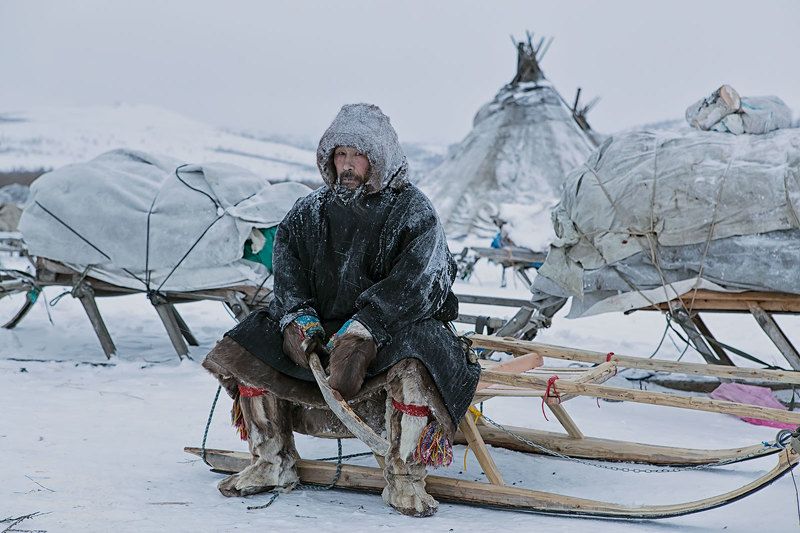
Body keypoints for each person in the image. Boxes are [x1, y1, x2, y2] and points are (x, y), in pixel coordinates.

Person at [202, 103, 480, 517]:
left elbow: (419, 282)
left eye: (357, 155)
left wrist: (365, 329)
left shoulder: (413, 212)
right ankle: (271, 461)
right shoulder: (308, 212)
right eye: (339, 155)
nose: (347, 166)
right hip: (325, 328)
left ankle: (404, 478)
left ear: (379, 157)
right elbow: (289, 272)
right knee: (251, 340)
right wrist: (298, 318)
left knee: (417, 360)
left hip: (395, 325)